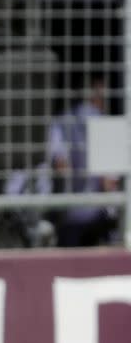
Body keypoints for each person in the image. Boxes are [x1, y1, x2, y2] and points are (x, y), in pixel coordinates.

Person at [46, 74, 119, 246]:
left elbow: (61, 166)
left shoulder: (61, 122)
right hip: (98, 216)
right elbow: (109, 183)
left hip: (71, 213)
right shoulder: (106, 125)